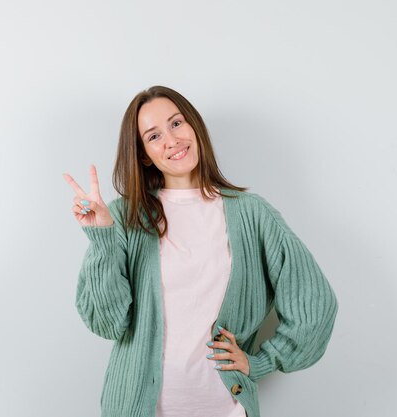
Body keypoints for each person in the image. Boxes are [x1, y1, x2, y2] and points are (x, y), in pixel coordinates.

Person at [63, 85, 339, 417]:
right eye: (153, 136)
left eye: (176, 123)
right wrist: (103, 238)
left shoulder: (252, 214)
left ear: (194, 125)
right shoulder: (125, 216)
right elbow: (107, 323)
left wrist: (262, 362)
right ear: (142, 155)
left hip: (226, 409)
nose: (171, 140)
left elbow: (314, 303)